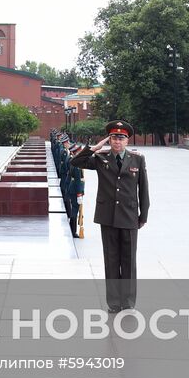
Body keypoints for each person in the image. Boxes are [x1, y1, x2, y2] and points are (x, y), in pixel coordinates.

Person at [70, 120, 148, 312]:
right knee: (111, 260)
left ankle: (128, 302)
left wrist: (143, 215)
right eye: (113, 138)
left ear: (127, 140)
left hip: (129, 216)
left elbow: (144, 189)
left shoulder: (137, 159)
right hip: (108, 217)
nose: (117, 142)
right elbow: (75, 162)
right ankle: (114, 302)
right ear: (109, 140)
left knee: (129, 261)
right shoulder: (101, 158)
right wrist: (94, 148)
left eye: (121, 138)